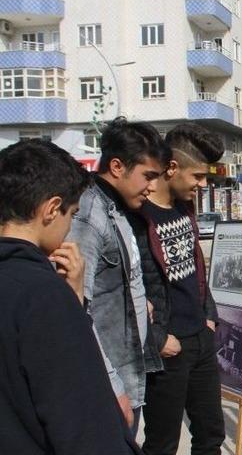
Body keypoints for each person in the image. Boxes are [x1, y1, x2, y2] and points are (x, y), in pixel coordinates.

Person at [0, 140, 143, 454]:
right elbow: (84, 425)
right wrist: (71, 305)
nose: (69, 229)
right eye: (72, 214)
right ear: (52, 209)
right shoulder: (43, 295)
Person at [66, 117, 170, 433]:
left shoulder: (116, 208)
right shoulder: (88, 214)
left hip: (127, 375)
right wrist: (113, 386)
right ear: (116, 166)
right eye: (148, 176)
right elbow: (76, 308)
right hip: (107, 385)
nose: (153, 186)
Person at [137, 123, 225, 454]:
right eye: (198, 176)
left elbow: (195, 268)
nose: (203, 185)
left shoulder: (184, 207)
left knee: (211, 436)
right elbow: (130, 289)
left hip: (200, 339)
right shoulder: (139, 215)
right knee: (162, 444)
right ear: (172, 167)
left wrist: (208, 315)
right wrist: (158, 339)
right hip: (167, 350)